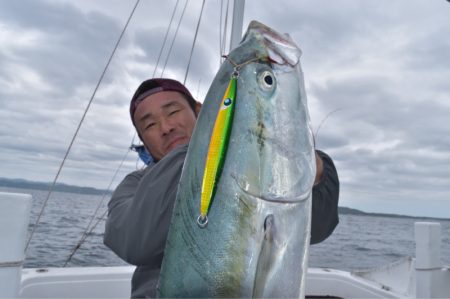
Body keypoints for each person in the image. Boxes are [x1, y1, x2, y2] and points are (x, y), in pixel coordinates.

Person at [104, 78, 340, 298]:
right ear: (143, 140)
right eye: (150, 125)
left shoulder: (255, 164)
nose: (165, 127)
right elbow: (133, 242)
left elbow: (318, 226)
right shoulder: (134, 185)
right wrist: (209, 142)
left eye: (173, 111)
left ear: (198, 110)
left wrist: (311, 168)